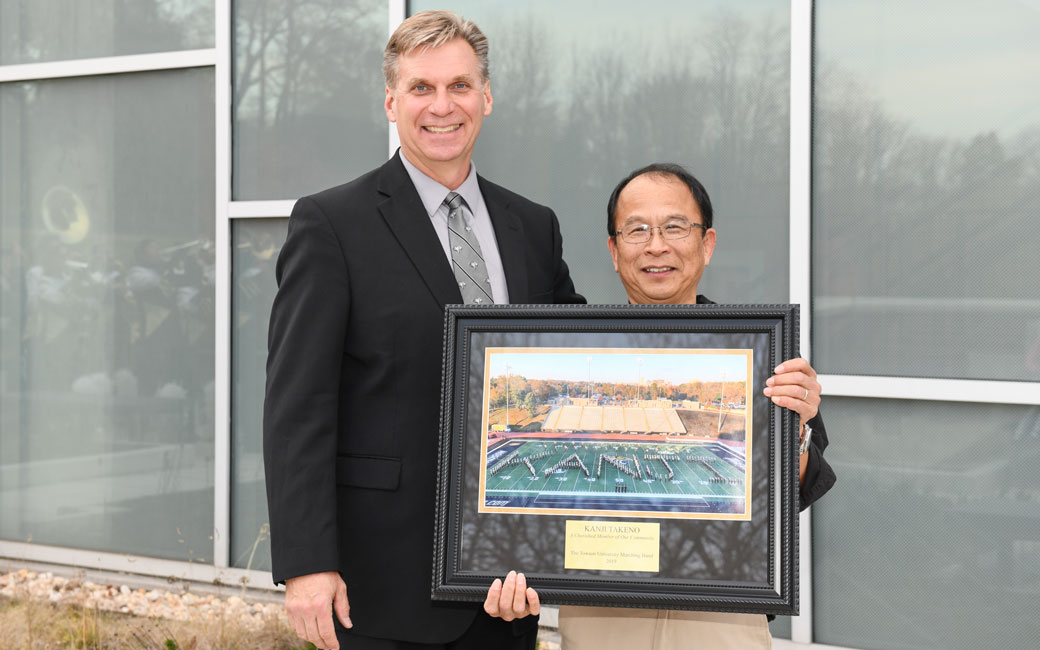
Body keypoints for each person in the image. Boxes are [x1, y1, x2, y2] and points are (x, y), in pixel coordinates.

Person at [263, 11, 583, 650]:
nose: (443, 106)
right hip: (378, 586)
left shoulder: (533, 226)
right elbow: (299, 406)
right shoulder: (332, 224)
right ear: (391, 101)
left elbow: (575, 366)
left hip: (505, 585)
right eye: (421, 88)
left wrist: (726, 365)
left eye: (460, 86)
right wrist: (305, 563)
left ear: (486, 98)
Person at [557, 163, 836, 649]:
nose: (656, 245)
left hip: (722, 615)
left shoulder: (760, 352)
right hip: (603, 611)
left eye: (674, 228)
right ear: (614, 251)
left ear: (706, 244)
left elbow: (795, 492)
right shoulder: (578, 352)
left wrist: (799, 427)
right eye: (637, 230)